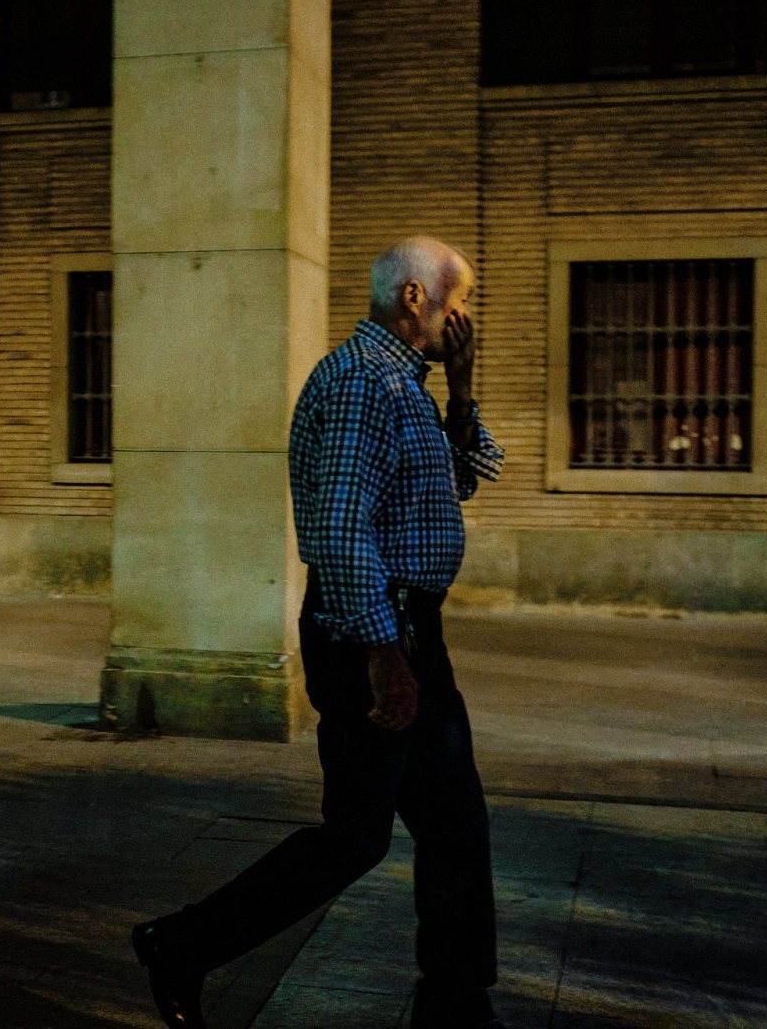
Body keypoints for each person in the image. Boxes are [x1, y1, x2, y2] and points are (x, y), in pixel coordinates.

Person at [131, 237, 508, 1029]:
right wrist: (383, 657)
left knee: (456, 825)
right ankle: (182, 946)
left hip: (411, 632)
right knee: (356, 837)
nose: (465, 316)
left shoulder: (407, 384)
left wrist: (462, 389)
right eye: (459, 298)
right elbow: (338, 532)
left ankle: (455, 1004)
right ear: (415, 299)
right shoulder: (361, 385)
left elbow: (466, 477)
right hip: (372, 632)